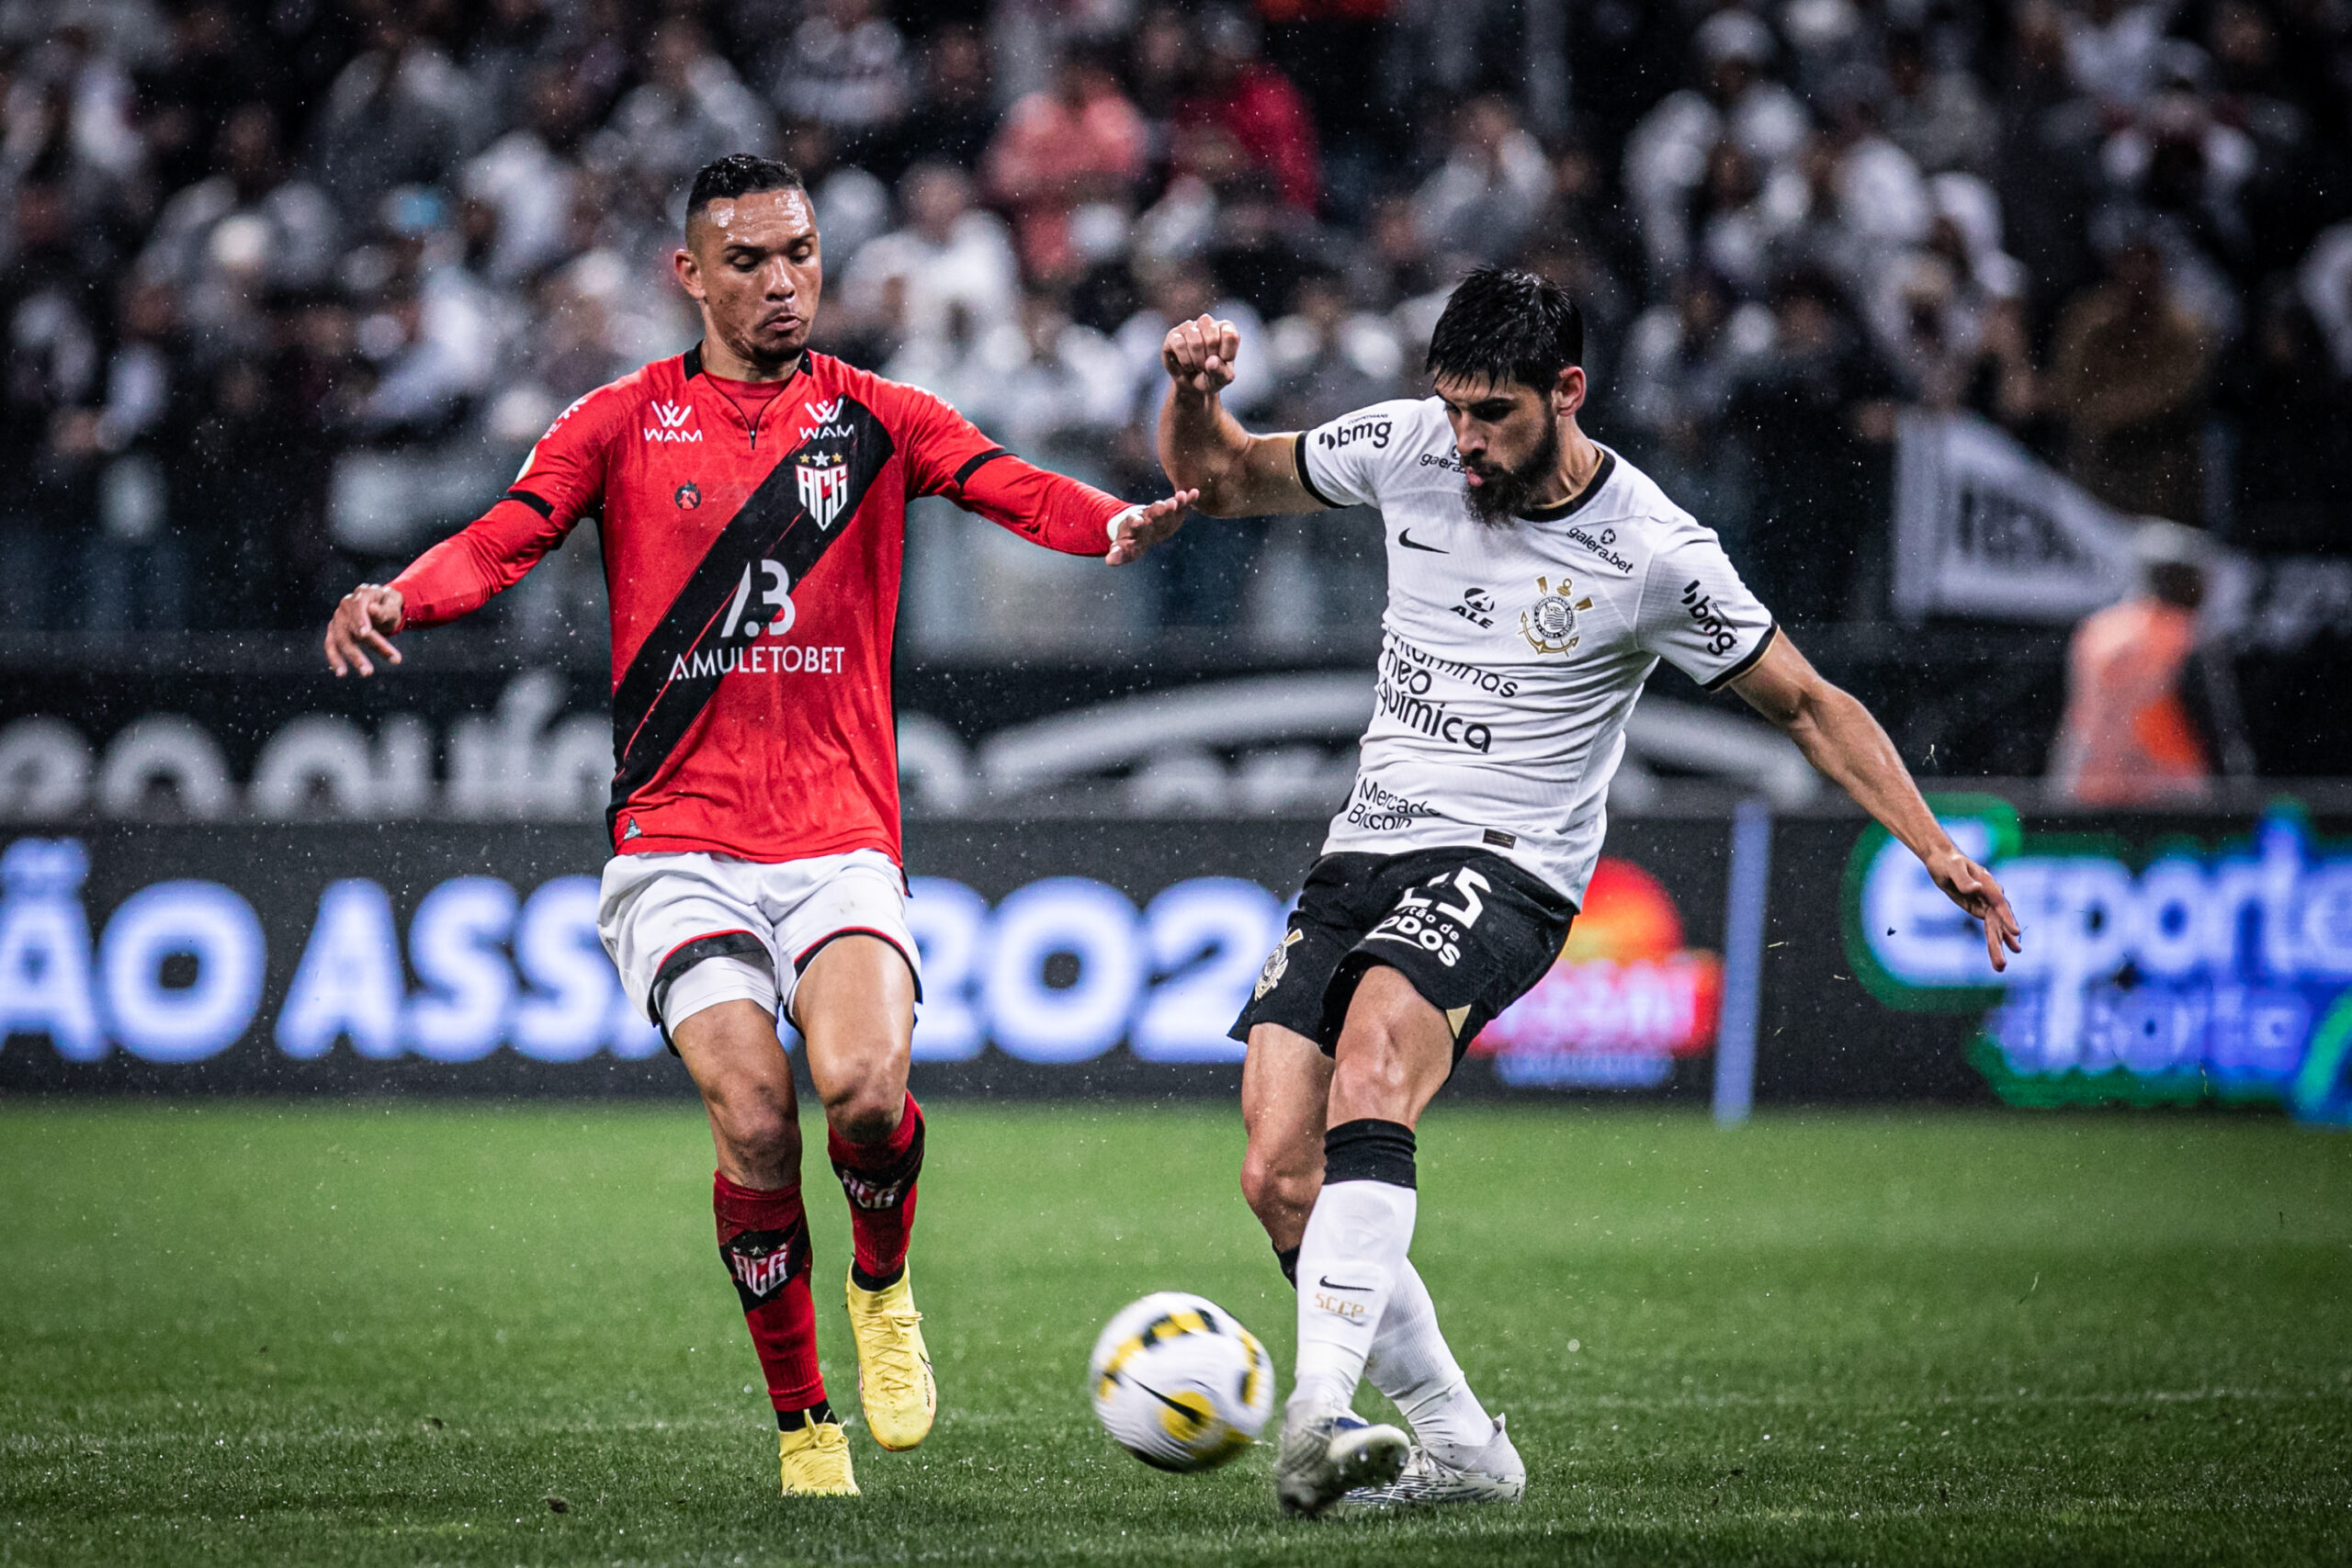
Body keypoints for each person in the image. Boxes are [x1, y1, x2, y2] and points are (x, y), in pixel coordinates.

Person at [321, 153, 1192, 1498]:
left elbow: (1011, 481)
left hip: (839, 834)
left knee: (865, 1092)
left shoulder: (878, 417)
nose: (781, 282)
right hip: (677, 841)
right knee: (752, 1113)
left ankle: (883, 1286)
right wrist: (402, 594)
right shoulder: (618, 421)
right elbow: (502, 537)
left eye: (798, 254)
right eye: (748, 261)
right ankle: (805, 1427)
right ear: (689, 274)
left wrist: (1115, 522)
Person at [1155, 266, 2022, 1517]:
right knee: (1280, 1175)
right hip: (1362, 848)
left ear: (1568, 393)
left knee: (1376, 1064)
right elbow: (1223, 475)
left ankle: (1317, 1417)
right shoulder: (1408, 447)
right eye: (1450, 407)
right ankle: (1461, 1447)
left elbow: (1811, 705)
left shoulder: (1656, 552)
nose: (1463, 439)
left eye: (1492, 414)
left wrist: (1934, 847)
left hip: (1509, 866)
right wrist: (1187, 395)